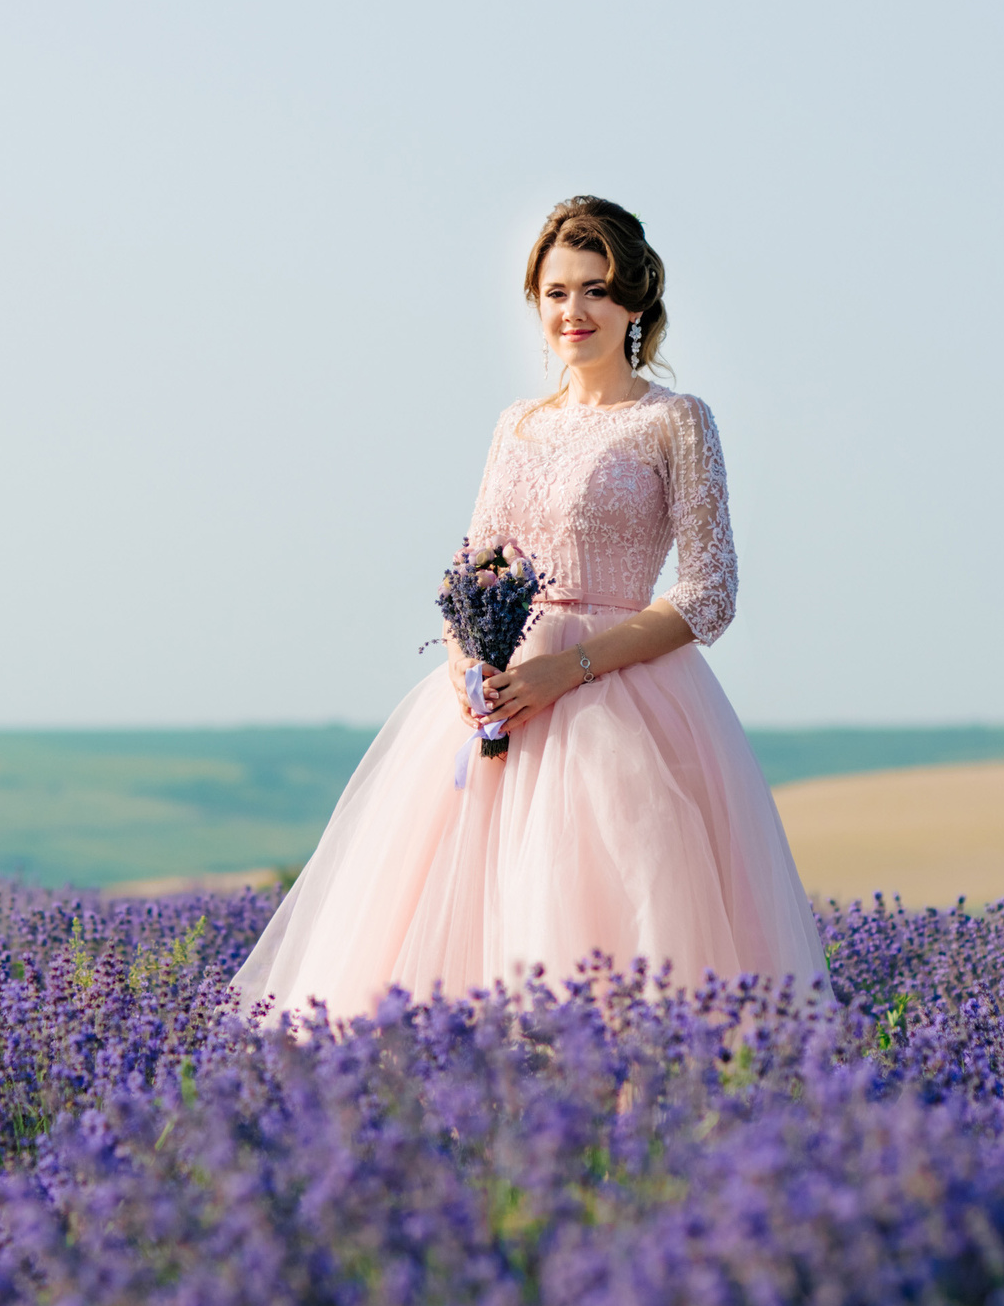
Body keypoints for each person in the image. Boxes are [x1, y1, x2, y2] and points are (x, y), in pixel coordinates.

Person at [232, 197, 826, 1014]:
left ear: (635, 303)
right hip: (499, 706)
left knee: (622, 947)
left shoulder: (675, 422)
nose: (573, 312)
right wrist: (463, 664)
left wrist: (568, 668)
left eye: (594, 289)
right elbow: (471, 568)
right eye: (555, 292)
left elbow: (710, 592)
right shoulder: (517, 425)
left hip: (620, 703)